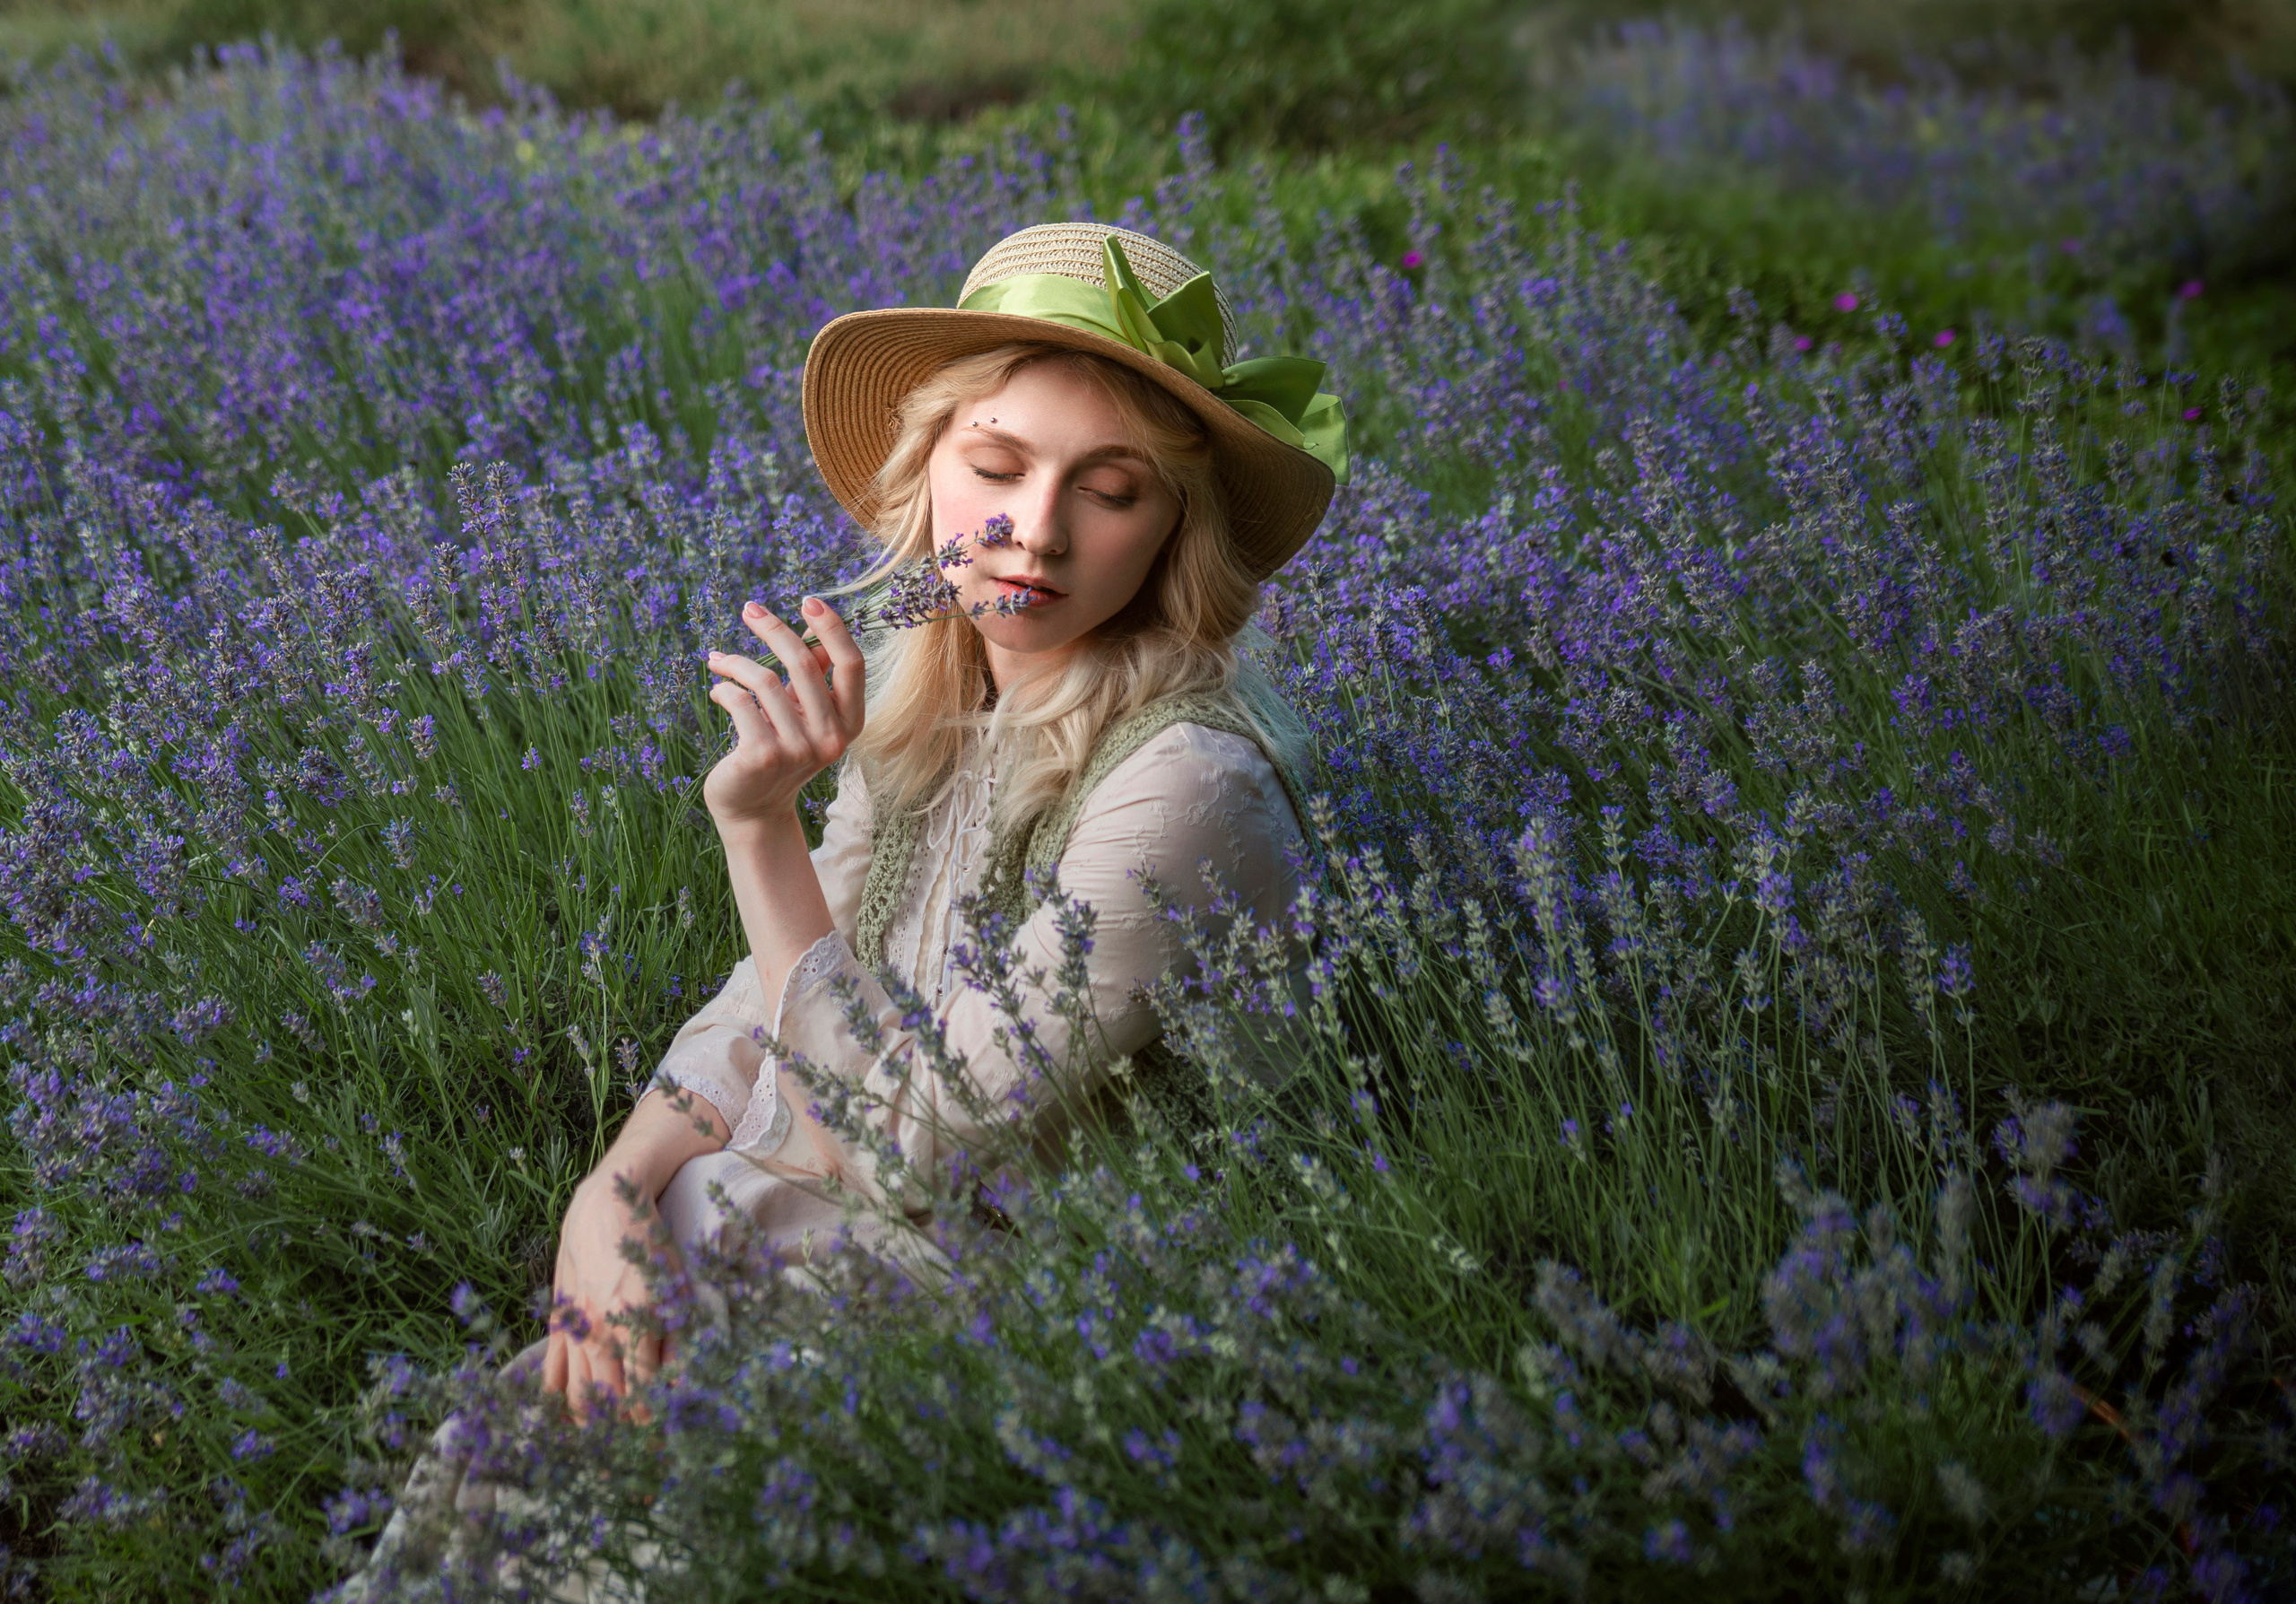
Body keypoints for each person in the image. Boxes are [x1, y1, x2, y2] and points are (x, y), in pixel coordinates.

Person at [541, 220, 1348, 1408]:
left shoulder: (1188, 782)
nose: (1039, 527)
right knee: (673, 1223)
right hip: (898, 1227)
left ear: (1176, 529)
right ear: (928, 474)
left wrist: (757, 828)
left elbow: (914, 1137)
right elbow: (776, 987)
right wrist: (609, 1189)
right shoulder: (940, 689)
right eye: (998, 464)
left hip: (1085, 1316)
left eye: (1111, 488)